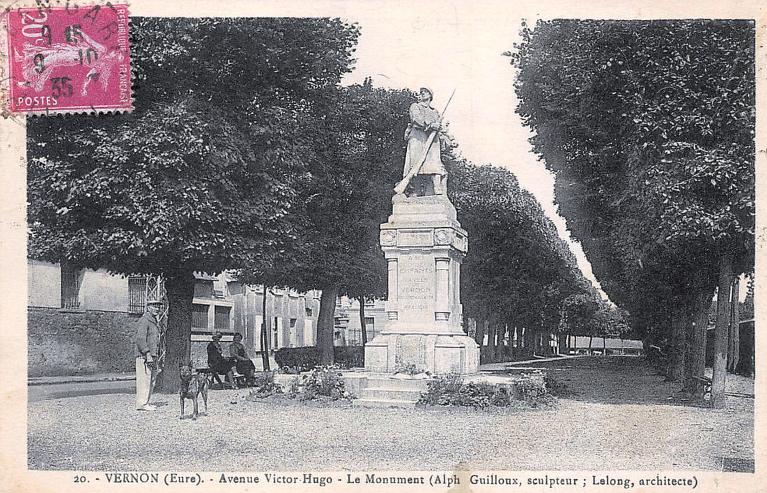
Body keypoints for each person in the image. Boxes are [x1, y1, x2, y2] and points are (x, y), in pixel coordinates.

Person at [403, 87, 447, 196]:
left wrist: (441, 132)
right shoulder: (415, 106)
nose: (422, 93)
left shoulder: (435, 112)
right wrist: (431, 125)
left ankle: (436, 187)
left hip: (432, 140)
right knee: (415, 164)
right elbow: (416, 119)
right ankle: (415, 190)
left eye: (425, 92)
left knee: (434, 163)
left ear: (430, 96)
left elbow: (440, 129)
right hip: (417, 137)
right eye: (421, 92)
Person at [135, 300, 163, 411]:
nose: (157, 309)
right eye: (154, 306)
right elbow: (140, 339)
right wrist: (147, 353)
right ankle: (141, 403)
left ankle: (146, 402)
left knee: (151, 380)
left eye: (158, 307)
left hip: (153, 355)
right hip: (145, 356)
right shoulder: (144, 321)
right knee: (144, 379)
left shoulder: (153, 322)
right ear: (148, 308)